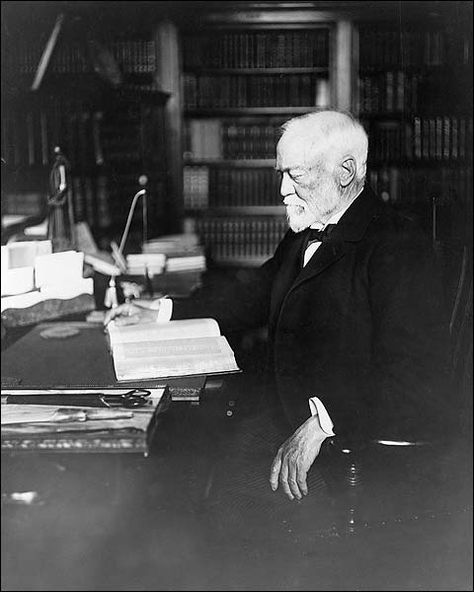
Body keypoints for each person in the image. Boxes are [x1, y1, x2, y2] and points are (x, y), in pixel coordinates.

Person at [104, 110, 452, 504]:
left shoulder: (398, 245)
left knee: (215, 499)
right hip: (281, 411)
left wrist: (324, 423)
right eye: (282, 173)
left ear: (345, 171)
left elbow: (416, 377)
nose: (283, 189)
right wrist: (164, 311)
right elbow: (252, 294)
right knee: (188, 475)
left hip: (349, 440)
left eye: (296, 175)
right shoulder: (305, 230)